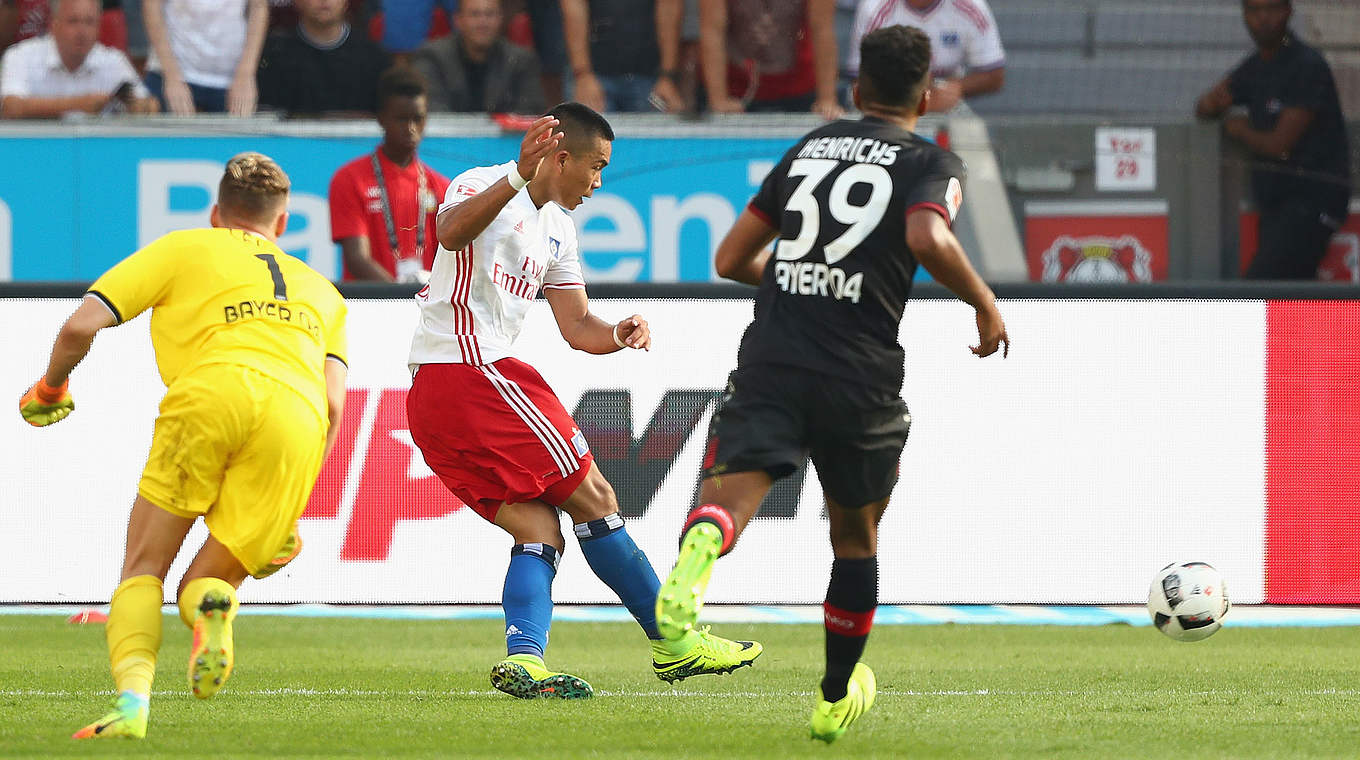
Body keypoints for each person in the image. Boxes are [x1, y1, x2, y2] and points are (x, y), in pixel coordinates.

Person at [654, 25, 1008, 742]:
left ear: (855, 88)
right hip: (860, 373)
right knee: (854, 538)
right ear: (927, 92)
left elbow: (730, 257)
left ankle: (701, 549)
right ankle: (834, 694)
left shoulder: (808, 149)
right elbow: (927, 238)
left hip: (774, 355)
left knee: (732, 495)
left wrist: (799, 291)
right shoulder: (930, 161)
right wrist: (983, 300)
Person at [406, 102, 762, 698]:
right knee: (596, 497)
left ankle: (525, 661)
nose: (598, 184)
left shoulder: (557, 230)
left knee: (538, 526)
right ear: (560, 154)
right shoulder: (483, 184)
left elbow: (577, 328)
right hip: (469, 371)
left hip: (443, 394)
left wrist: (616, 335)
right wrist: (518, 176)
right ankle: (675, 642)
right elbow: (446, 233)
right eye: (595, 167)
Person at [18, 152, 348, 739]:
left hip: (211, 393)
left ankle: (132, 703)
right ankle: (215, 609)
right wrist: (290, 510)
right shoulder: (324, 291)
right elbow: (333, 406)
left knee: (144, 567)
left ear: (218, 213)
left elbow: (79, 326)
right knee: (207, 582)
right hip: (296, 419)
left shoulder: (186, 246)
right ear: (282, 222)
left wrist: (51, 386)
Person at [1195, 0, 1351, 280]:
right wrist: (1210, 103)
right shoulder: (1256, 67)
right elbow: (1205, 107)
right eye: (1254, 10)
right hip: (1277, 206)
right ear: (1244, 15)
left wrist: (1240, 130)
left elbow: (1280, 146)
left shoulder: (1307, 66)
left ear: (1289, 11)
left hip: (1313, 203)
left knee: (1261, 289)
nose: (1263, 18)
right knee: (1290, 296)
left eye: (1272, 8)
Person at [328, 67, 450, 282]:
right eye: (402, 119)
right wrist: (400, 298)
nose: (411, 128)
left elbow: (451, 259)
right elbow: (357, 259)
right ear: (381, 119)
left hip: (426, 307)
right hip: (372, 305)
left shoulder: (441, 185)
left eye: (418, 118)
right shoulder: (350, 178)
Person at [1, 0, 157, 118]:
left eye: (89, 22)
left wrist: (139, 107)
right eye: (73, 21)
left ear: (98, 26)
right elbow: (11, 107)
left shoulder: (113, 60)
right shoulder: (21, 55)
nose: (82, 31)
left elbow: (150, 105)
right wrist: (78, 105)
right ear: (53, 25)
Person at [847, 0, 1005, 113]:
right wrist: (907, 96)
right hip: (886, 106)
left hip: (946, 106)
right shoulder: (874, 6)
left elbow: (995, 75)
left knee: (977, 153)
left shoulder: (971, 6)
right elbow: (860, 78)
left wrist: (957, 88)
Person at [697, 0, 842, 118]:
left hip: (799, 86)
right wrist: (718, 98)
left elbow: (822, 29)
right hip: (735, 88)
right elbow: (712, 31)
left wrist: (827, 99)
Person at [257, 0, 389, 116]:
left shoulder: (373, 57)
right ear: (297, 2)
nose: (324, 1)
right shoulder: (274, 56)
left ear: (345, 2)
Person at [411, 0, 543, 114]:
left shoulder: (521, 61)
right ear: (458, 20)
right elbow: (432, 112)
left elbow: (529, 113)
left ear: (500, 19)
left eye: (489, 14)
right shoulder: (431, 57)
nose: (483, 22)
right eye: (475, 15)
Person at [143, 0, 268, 115]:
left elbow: (258, 7)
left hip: (231, 80)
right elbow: (151, 6)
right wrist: (172, 76)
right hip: (172, 74)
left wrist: (245, 75)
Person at [560, 0, 683, 113]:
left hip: (651, 77)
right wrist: (583, 75)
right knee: (585, 133)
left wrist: (667, 76)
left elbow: (669, 7)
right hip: (594, 75)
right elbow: (573, 8)